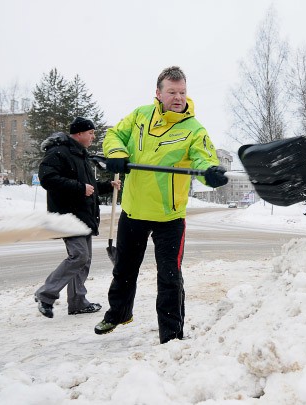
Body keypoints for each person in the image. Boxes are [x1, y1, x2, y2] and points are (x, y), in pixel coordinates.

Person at [95, 66, 228, 343]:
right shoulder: (140, 116)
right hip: (134, 209)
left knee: (169, 277)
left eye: (182, 92)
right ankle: (119, 313)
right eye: (172, 92)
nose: (178, 97)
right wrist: (117, 153)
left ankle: (171, 336)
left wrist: (211, 171)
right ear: (158, 93)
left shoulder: (194, 130)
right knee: (124, 268)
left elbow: (203, 158)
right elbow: (114, 135)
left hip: (170, 216)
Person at [34, 117, 121, 318]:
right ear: (79, 133)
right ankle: (45, 294)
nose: (93, 136)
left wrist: (108, 186)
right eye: (90, 133)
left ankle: (77, 302)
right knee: (79, 256)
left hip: (84, 215)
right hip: (68, 216)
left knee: (84, 260)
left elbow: (89, 188)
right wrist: (79, 188)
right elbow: (47, 178)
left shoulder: (81, 156)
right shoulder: (58, 152)